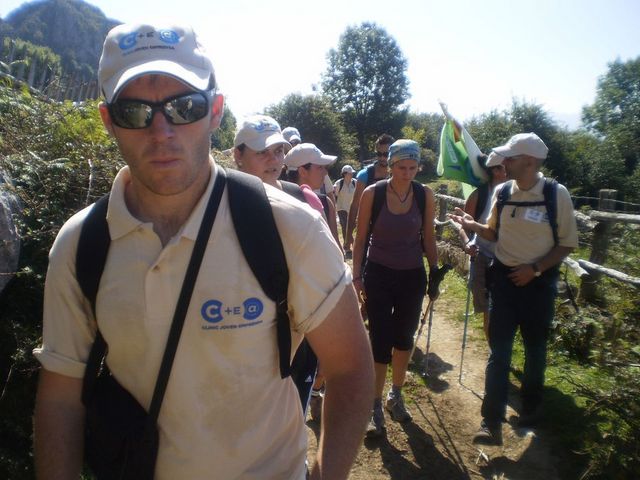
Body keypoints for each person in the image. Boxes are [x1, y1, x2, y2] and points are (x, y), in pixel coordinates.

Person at [32, 22, 374, 480]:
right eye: (135, 111)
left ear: (215, 112)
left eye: (184, 107)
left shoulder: (288, 228)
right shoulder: (80, 246)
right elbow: (60, 398)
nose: (161, 130)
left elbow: (351, 367)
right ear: (108, 120)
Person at [449, 132, 578, 446]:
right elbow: (492, 234)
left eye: (510, 157)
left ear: (530, 161)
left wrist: (534, 269)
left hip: (539, 285)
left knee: (535, 350)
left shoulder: (555, 194)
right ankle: (490, 422)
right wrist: (471, 225)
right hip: (504, 281)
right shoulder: (503, 191)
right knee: (499, 353)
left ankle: (531, 409)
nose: (503, 162)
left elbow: (567, 244)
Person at [352, 139, 439, 438]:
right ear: (390, 165)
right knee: (379, 339)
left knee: (403, 339)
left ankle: (395, 395)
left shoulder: (424, 195)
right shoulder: (372, 194)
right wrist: (356, 276)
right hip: (378, 273)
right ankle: (374, 405)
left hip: (412, 275)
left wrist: (436, 272)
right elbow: (361, 238)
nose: (407, 173)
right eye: (401, 167)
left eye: (413, 168)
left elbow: (428, 236)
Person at [457, 152, 507, 341]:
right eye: (504, 167)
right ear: (495, 171)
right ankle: (496, 353)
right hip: (483, 256)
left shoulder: (516, 194)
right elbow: (464, 228)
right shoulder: (479, 195)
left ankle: (498, 353)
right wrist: (467, 242)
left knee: (500, 309)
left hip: (507, 259)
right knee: (489, 310)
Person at [285, 143, 342, 252]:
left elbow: (335, 246)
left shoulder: (326, 202)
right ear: (302, 171)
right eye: (320, 167)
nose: (325, 172)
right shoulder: (280, 204)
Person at [345, 133, 394, 255]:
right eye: (379, 154)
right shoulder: (365, 175)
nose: (382, 158)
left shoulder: (399, 173)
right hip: (369, 230)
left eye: (386, 154)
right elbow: (355, 205)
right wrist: (349, 234)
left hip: (393, 231)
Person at [334, 164, 357, 256]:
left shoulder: (355, 182)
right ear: (345, 174)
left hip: (352, 209)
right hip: (341, 208)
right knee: (345, 227)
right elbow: (335, 194)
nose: (352, 174)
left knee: (352, 227)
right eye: (350, 173)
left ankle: (348, 245)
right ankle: (348, 247)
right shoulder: (339, 183)